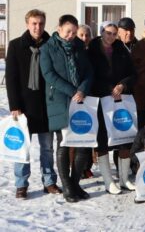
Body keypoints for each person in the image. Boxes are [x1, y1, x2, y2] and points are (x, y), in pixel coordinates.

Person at [4, 9, 60, 199]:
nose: (38, 27)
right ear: (27, 24)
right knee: (23, 147)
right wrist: (14, 106)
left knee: (47, 148)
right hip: (25, 107)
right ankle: (21, 184)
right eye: (34, 23)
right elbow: (11, 78)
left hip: (47, 105)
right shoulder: (15, 46)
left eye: (41, 23)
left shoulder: (52, 44)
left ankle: (49, 181)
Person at [40, 14, 94, 203]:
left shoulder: (79, 47)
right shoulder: (48, 48)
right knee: (64, 144)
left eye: (74, 31)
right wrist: (73, 91)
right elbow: (48, 74)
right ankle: (67, 187)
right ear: (59, 29)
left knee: (82, 144)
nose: (71, 35)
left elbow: (89, 71)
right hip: (60, 101)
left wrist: (83, 89)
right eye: (68, 31)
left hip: (81, 100)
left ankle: (75, 183)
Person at [87, 21, 137, 194]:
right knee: (103, 141)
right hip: (101, 100)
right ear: (101, 32)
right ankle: (108, 181)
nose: (111, 36)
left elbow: (132, 73)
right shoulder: (92, 50)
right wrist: (109, 89)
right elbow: (90, 76)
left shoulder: (122, 49)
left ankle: (124, 179)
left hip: (120, 99)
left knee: (124, 137)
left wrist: (122, 85)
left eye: (114, 33)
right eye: (108, 33)